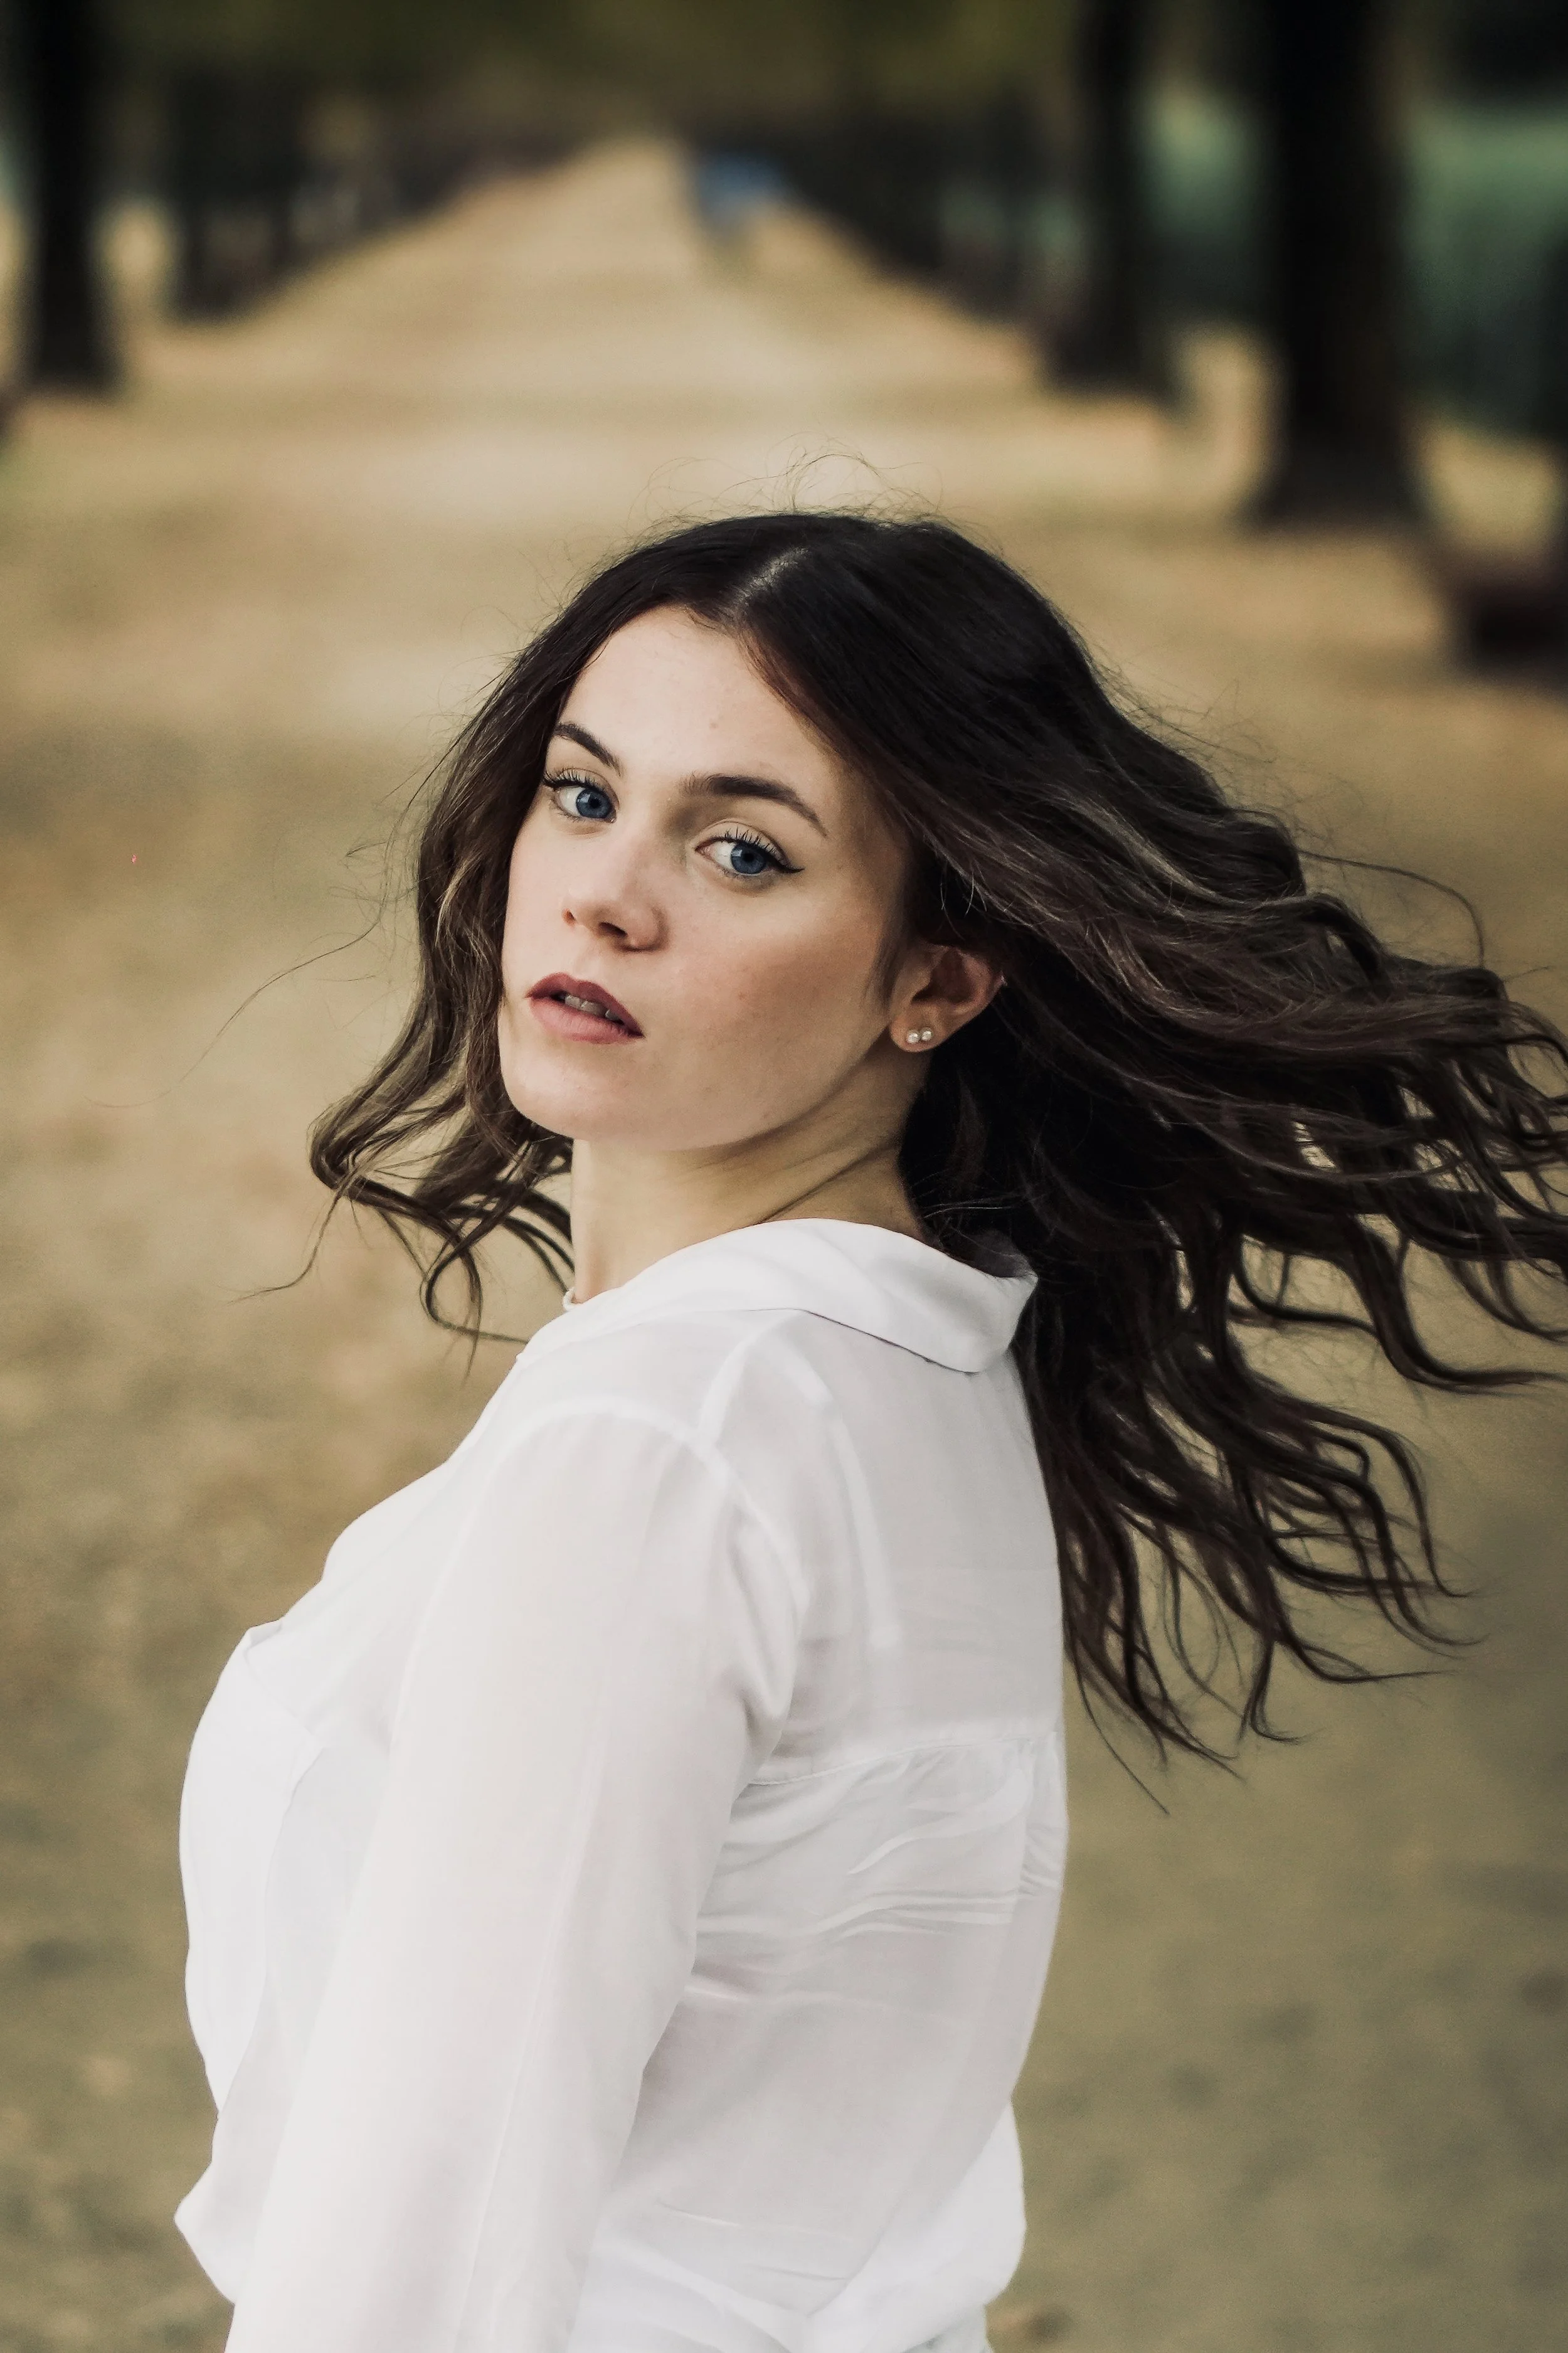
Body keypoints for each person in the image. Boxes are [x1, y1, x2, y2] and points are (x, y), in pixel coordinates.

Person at [173, 512, 1568, 2353]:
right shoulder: (918, 1358)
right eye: (583, 796)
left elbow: (428, 2233)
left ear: (939, 979)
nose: (605, 895)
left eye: (742, 848)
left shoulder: (668, 1439)